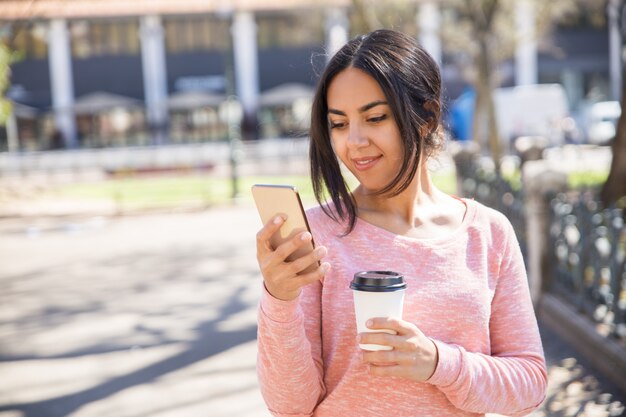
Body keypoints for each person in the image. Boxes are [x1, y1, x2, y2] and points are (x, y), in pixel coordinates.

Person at [254, 29, 547, 417]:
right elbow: (290, 406)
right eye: (338, 124)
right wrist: (279, 298)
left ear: (425, 116)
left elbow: (529, 385)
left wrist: (440, 364)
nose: (353, 141)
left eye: (374, 117)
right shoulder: (316, 237)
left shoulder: (488, 234)